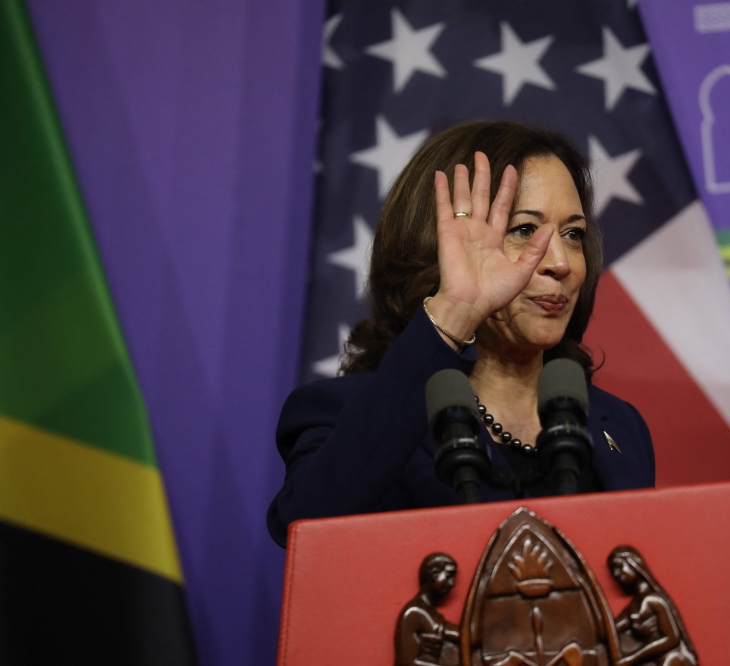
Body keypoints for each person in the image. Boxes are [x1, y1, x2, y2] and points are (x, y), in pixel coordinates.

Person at [267, 121, 655, 547]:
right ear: (437, 246)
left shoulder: (617, 426)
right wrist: (456, 309)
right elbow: (305, 532)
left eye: (573, 234)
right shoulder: (340, 413)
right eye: (525, 230)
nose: (560, 262)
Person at [608, 546, 697, 666]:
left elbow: (672, 639)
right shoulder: (633, 607)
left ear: (633, 564)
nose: (616, 573)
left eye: (619, 566)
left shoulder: (653, 600)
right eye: (613, 570)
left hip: (671, 659)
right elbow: (611, 629)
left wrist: (632, 658)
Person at [394, 553, 460, 666]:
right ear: (434, 575)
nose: (452, 584)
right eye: (448, 576)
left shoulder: (430, 613)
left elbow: (458, 634)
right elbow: (406, 662)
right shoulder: (414, 613)